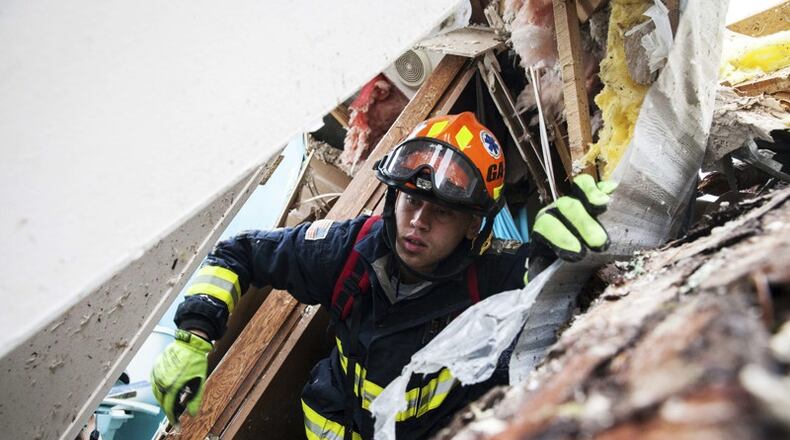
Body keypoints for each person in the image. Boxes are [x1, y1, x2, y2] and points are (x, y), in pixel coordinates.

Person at [151, 112, 615, 439]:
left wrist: (563, 260)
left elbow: (559, 294)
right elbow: (240, 252)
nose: (418, 223)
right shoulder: (347, 250)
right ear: (393, 198)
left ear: (475, 225)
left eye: (443, 213)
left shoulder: (494, 276)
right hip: (330, 425)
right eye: (411, 201)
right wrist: (193, 335)